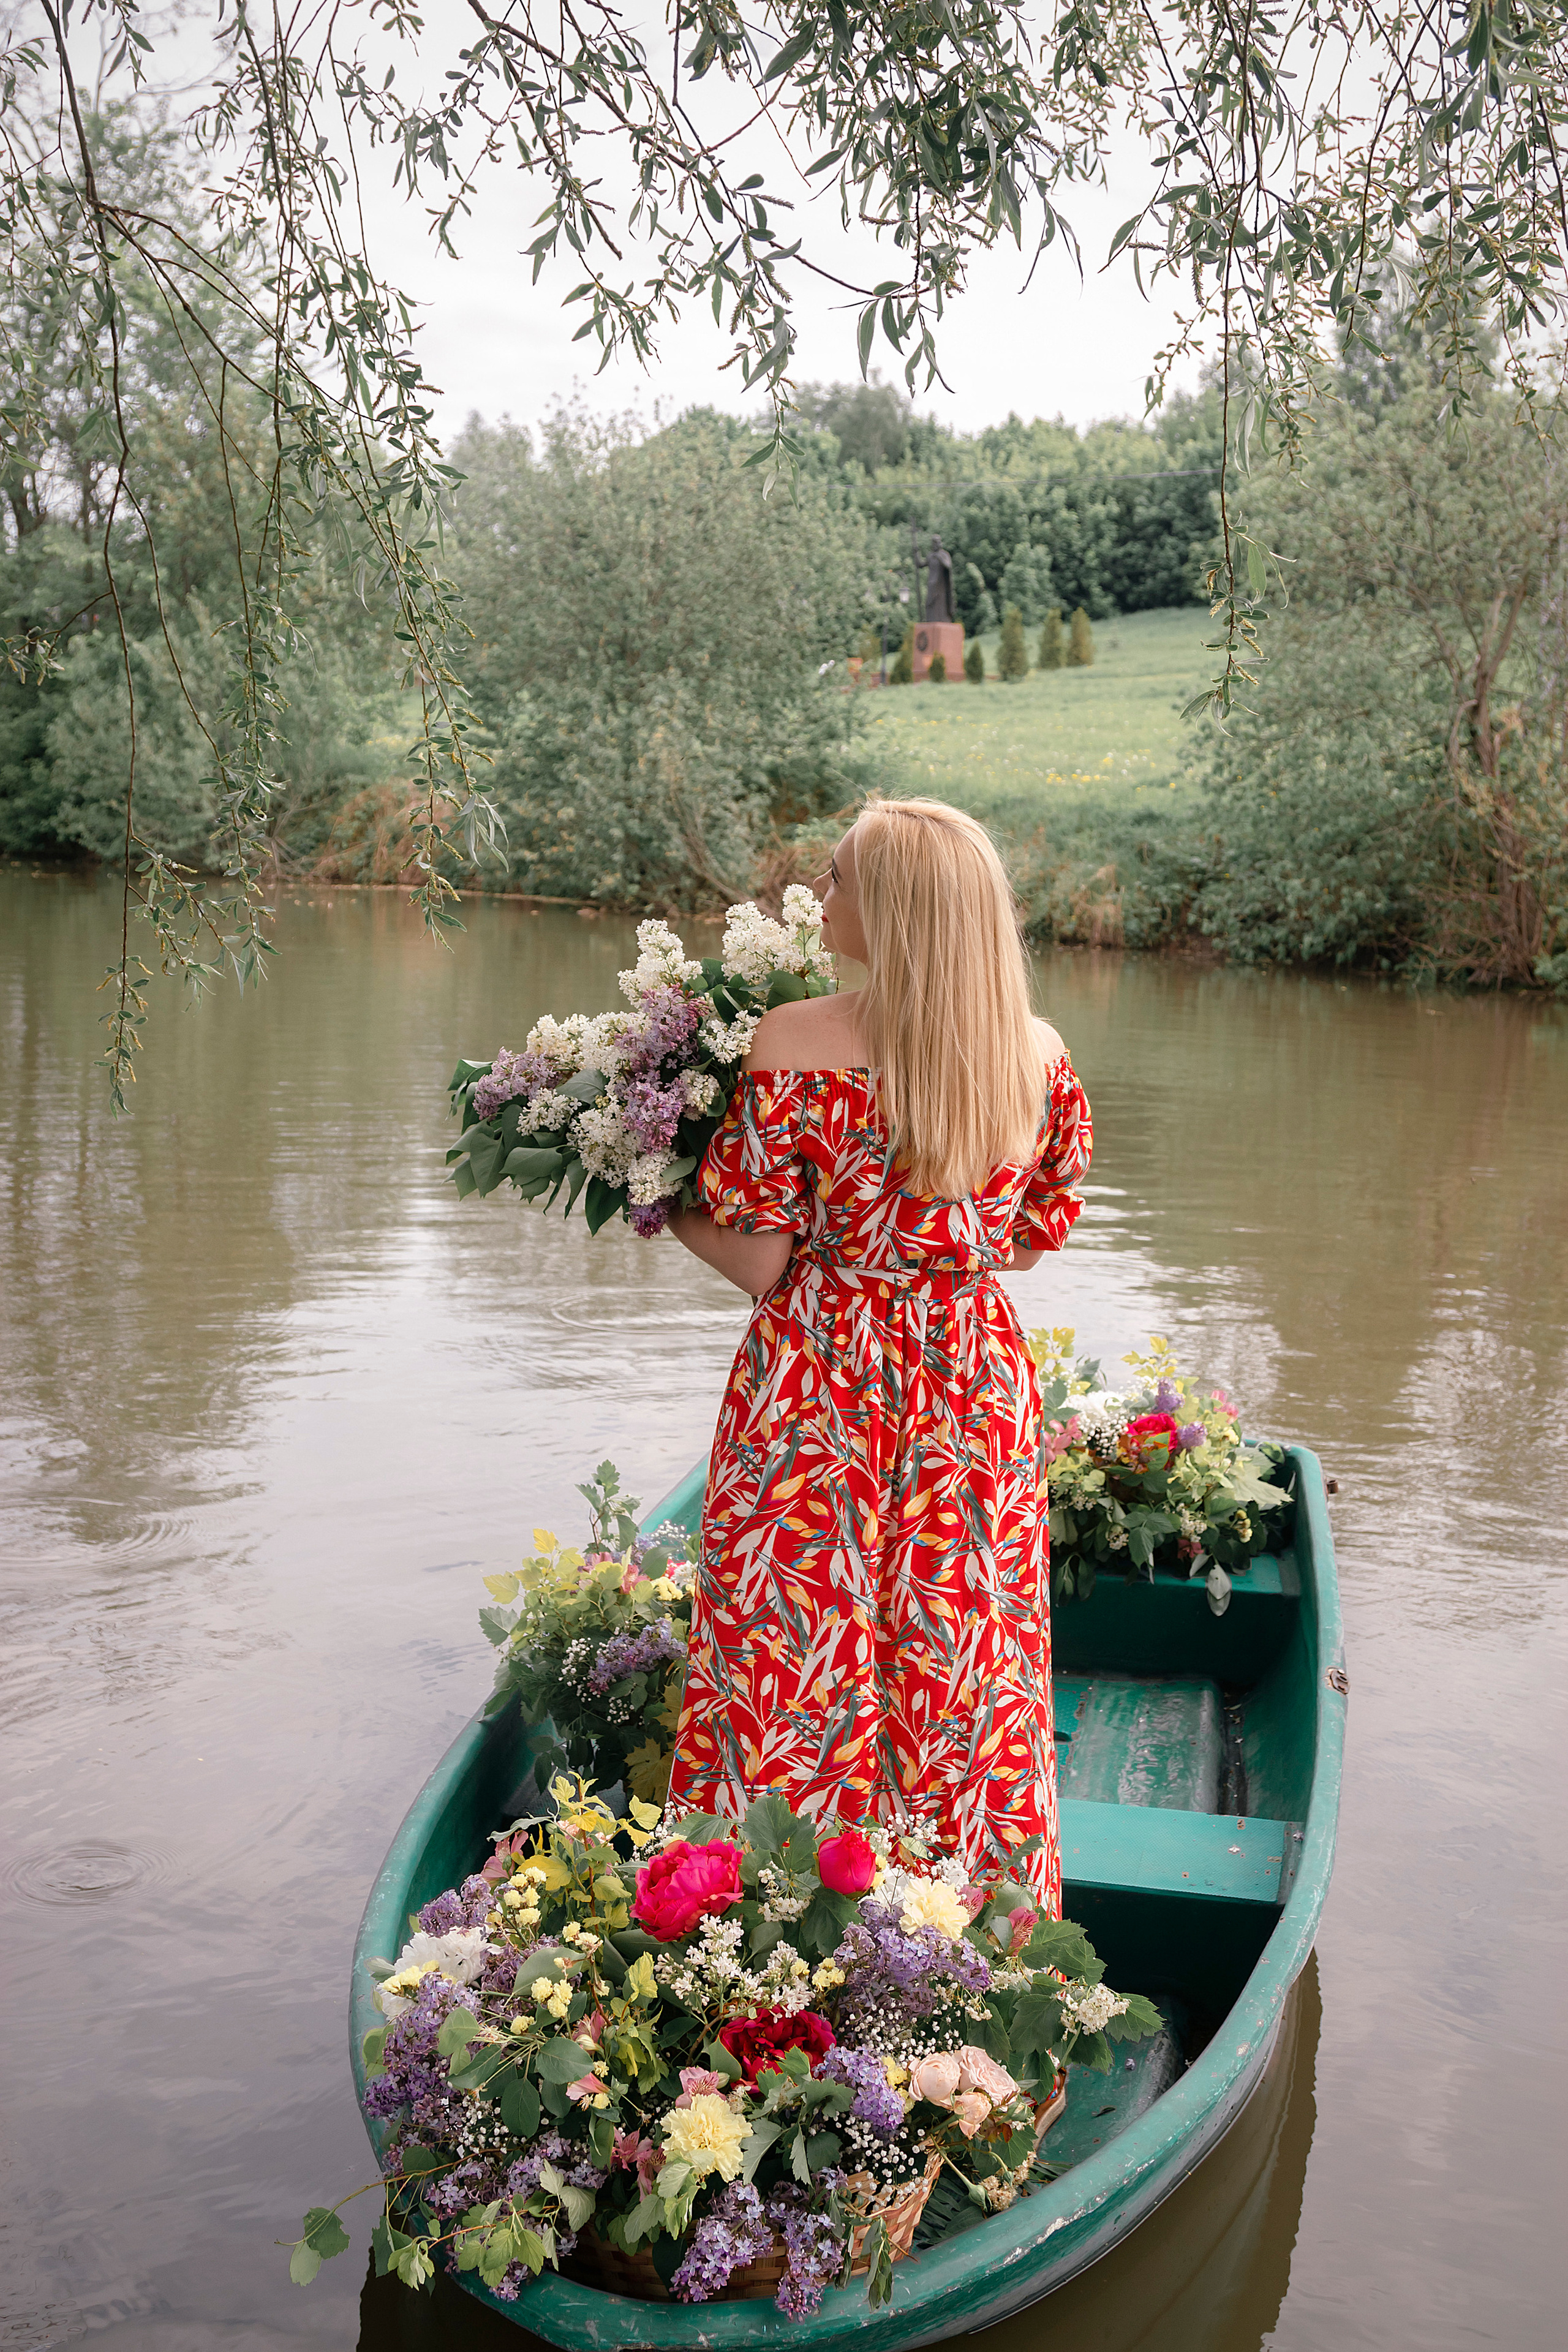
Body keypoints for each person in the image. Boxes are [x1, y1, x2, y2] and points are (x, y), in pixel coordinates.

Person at [662, 797, 1091, 1910]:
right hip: (969, 1374)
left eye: (842, 877)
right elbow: (1035, 1241)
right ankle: (967, 1941)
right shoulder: (1035, 1056)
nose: (825, 893)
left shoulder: (794, 1042)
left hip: (818, 1374)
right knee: (962, 1654)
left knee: (788, 1646)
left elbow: (761, 1261)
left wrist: (656, 1198)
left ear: (892, 908)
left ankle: (765, 1943)